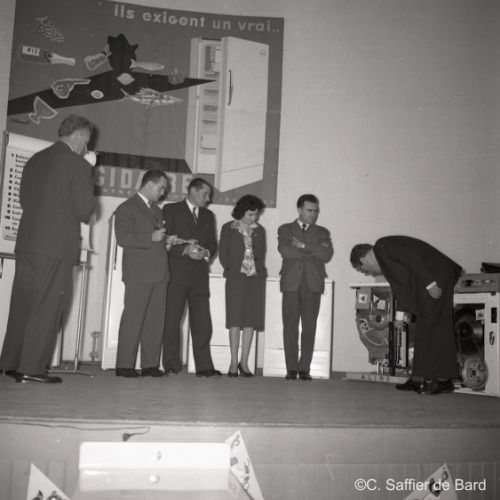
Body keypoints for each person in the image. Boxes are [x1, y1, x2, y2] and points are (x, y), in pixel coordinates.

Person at [0, 115, 96, 384]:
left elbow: (23, 200)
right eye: (86, 142)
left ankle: (10, 363)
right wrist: (90, 180)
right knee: (48, 305)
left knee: (22, 303)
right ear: (78, 136)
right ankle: (31, 368)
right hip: (55, 246)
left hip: (27, 242)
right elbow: (84, 209)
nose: (86, 148)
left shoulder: (35, 160)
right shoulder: (77, 163)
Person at [350, 236, 463, 395]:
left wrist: (430, 282)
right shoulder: (385, 261)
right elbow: (401, 288)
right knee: (424, 329)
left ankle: (444, 380)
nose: (368, 272)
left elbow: (412, 257)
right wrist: (399, 317)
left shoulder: (383, 246)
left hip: (438, 275)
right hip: (431, 279)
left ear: (364, 260)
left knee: (436, 328)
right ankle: (418, 378)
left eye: (364, 269)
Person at [114, 169, 174, 378]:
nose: (163, 192)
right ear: (149, 184)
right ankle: (124, 365)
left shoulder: (157, 210)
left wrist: (167, 242)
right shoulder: (126, 208)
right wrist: (151, 237)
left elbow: (157, 238)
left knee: (155, 321)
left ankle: (150, 364)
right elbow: (123, 238)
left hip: (160, 272)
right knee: (133, 319)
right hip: (139, 273)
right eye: (161, 188)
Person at [162, 177, 220, 377]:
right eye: (205, 194)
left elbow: (212, 244)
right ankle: (171, 364)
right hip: (176, 275)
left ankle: (204, 366)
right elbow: (164, 239)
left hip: (199, 277)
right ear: (193, 191)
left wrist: (205, 253)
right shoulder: (170, 210)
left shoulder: (208, 215)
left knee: (203, 323)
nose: (208, 198)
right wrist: (184, 250)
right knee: (171, 322)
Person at [278, 194, 333, 381]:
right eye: (309, 210)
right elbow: (285, 250)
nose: (313, 214)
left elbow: (326, 254)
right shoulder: (285, 229)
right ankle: (291, 369)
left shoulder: (322, 232)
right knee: (290, 326)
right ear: (299, 209)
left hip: (313, 283)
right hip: (291, 282)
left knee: (309, 327)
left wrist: (301, 245)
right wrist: (311, 251)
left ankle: (304, 369)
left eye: (316, 211)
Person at [219, 194, 267, 377]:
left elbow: (261, 254)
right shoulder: (228, 228)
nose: (253, 218)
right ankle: (233, 362)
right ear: (241, 212)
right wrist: (232, 270)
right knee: (235, 320)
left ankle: (244, 363)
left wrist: (257, 272)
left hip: (255, 280)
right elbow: (223, 254)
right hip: (235, 279)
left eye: (256, 214)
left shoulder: (260, 230)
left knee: (250, 321)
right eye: (250, 214)